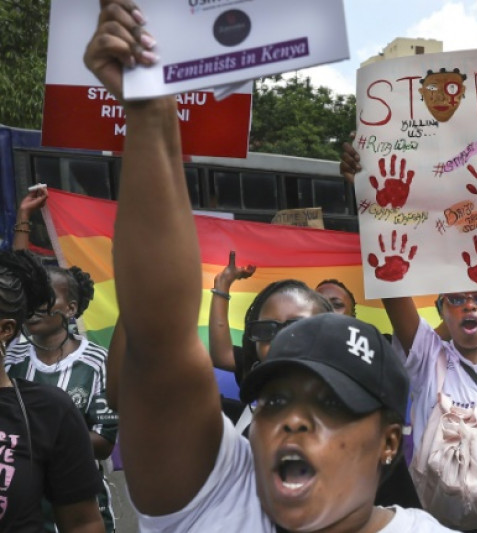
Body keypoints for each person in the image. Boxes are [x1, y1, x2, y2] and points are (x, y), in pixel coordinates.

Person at [86, 4, 452, 531]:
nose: (294, 421)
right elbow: (158, 336)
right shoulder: (214, 492)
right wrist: (151, 115)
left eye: (334, 402)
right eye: (276, 399)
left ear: (389, 443)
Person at [341, 144, 477, 532]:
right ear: (440, 308)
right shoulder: (425, 356)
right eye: (457, 299)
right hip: (438, 517)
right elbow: (391, 282)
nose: (470, 307)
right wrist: (367, 198)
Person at [5, 263, 119, 532]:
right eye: (31, 299)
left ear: (70, 308)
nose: (35, 307)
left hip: (80, 504)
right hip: (23, 504)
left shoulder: (99, 362)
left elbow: (103, 443)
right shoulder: (10, 358)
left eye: (46, 299)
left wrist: (34, 434)